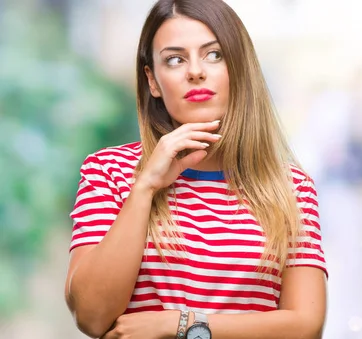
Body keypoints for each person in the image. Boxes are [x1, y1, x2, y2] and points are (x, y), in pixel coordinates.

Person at [64, 1, 328, 338]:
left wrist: (180, 324)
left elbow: (305, 326)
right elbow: (91, 316)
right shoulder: (108, 171)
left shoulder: (291, 187)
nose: (195, 71)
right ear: (153, 81)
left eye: (213, 55)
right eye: (175, 59)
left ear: (239, 67)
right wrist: (145, 187)